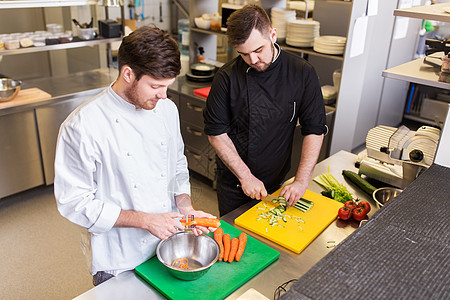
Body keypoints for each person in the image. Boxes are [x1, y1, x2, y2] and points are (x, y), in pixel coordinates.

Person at [54, 25, 216, 286]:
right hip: (120, 257)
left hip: (168, 244)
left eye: (167, 86)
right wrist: (145, 220)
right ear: (128, 74)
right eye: (155, 86)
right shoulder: (82, 126)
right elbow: (74, 202)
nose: (163, 95)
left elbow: (176, 164)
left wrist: (186, 208)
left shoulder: (166, 109)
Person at [203, 5, 328, 216]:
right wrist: (245, 176)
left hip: (277, 181)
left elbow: (314, 129)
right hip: (234, 183)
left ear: (272, 35)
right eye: (244, 54)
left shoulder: (301, 73)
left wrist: (300, 181)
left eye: (258, 50)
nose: (253, 60)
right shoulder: (226, 78)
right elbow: (216, 134)